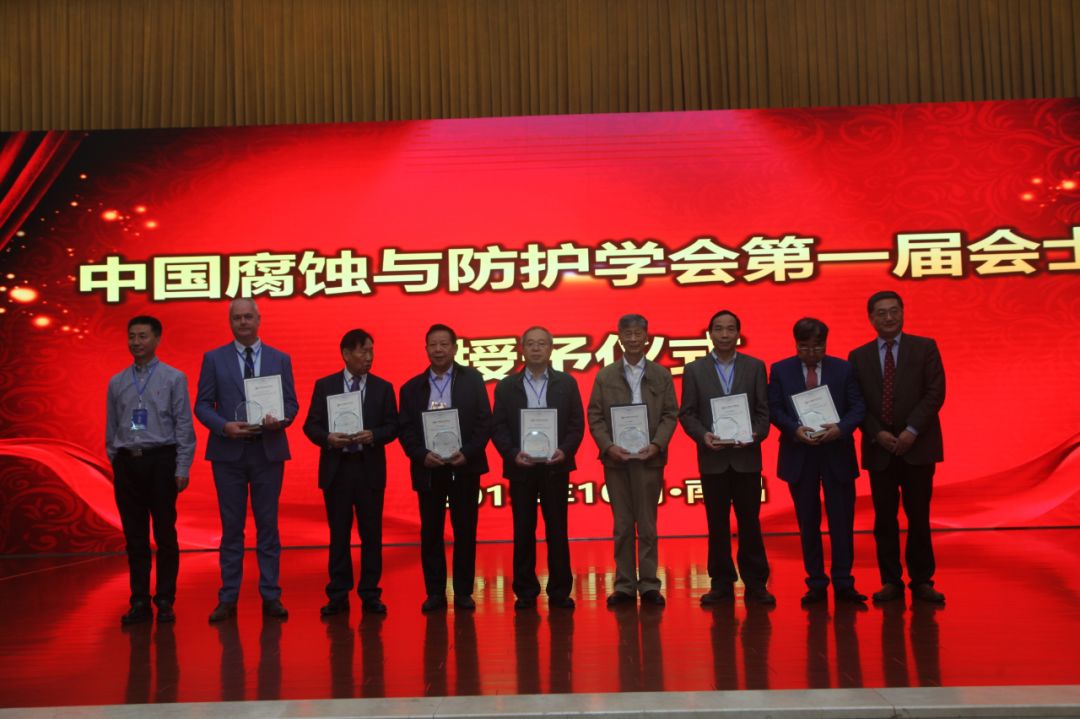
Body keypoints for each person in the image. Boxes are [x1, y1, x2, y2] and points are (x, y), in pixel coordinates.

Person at [194, 298, 299, 621]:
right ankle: (228, 597)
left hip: (267, 452)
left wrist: (280, 420)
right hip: (229, 453)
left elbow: (291, 404)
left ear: (258, 319)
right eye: (237, 318)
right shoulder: (213, 358)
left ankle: (271, 595)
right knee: (231, 528)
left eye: (248, 317)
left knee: (268, 526)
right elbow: (202, 405)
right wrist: (223, 426)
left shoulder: (280, 358)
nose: (242, 322)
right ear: (230, 322)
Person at [848, 291, 946, 604]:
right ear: (870, 318)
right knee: (884, 518)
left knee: (919, 516)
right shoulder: (858, 356)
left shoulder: (925, 347)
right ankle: (890, 581)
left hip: (918, 446)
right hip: (880, 449)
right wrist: (877, 433)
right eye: (881, 313)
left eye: (894, 311)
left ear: (903, 313)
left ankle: (922, 580)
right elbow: (856, 402)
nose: (888, 317)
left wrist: (911, 430)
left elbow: (935, 392)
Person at [768, 317, 867, 606]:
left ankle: (844, 582)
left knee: (842, 522)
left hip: (837, 452)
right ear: (795, 344)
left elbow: (858, 406)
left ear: (826, 343)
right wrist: (793, 429)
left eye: (817, 347)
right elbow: (774, 408)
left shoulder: (843, 368)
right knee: (807, 522)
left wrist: (841, 428)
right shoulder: (781, 370)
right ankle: (816, 582)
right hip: (800, 454)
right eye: (804, 347)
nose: (811, 353)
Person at [678, 310, 774, 606]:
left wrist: (754, 434)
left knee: (750, 523)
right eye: (718, 329)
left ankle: (756, 583)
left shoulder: (755, 366)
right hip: (713, 459)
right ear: (710, 334)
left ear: (738, 334)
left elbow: (764, 412)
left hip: (746, 458)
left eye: (730, 329)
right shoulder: (694, 370)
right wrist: (703, 435)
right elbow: (687, 413)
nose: (724, 334)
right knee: (717, 524)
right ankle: (720, 582)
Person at [105, 315, 196, 625]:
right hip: (127, 462)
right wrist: (117, 460)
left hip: (161, 461)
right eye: (132, 336)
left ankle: (166, 599)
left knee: (165, 534)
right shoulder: (117, 381)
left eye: (143, 336)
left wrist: (182, 466)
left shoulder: (174, 378)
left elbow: (184, 424)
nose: (136, 342)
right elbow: (111, 427)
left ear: (157, 339)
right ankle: (140, 601)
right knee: (135, 537)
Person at [302, 329, 399, 616]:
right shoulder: (325, 386)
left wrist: (374, 435)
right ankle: (338, 594)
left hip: (369, 469)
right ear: (346, 354)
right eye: (362, 351)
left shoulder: (383, 388)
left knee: (372, 535)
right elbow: (311, 425)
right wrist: (327, 438)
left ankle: (370, 593)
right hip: (338, 468)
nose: (369, 356)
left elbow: (394, 426)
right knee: (339, 534)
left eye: (371, 350)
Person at [398, 324, 492, 612]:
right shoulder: (411, 388)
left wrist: (468, 453)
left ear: (454, 348)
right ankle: (435, 592)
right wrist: (421, 455)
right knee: (431, 532)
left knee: (465, 530)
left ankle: (463, 591)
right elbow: (406, 429)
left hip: (464, 466)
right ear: (426, 348)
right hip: (429, 468)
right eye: (433, 345)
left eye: (444, 344)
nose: (438, 350)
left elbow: (484, 421)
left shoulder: (473, 380)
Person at [586, 314, 678, 608]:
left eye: (639, 334)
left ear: (647, 337)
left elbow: (670, 414)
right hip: (617, 461)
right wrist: (608, 446)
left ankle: (649, 584)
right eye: (628, 334)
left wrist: (657, 444)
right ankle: (624, 585)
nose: (634, 339)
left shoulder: (661, 375)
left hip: (650, 459)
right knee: (623, 524)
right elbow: (595, 416)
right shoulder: (605, 376)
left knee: (647, 525)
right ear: (620, 338)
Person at [491, 326, 585, 610]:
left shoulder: (566, 383)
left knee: (557, 529)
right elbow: (498, 427)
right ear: (522, 349)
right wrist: (512, 454)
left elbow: (576, 424)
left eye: (541, 343)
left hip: (556, 466)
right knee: (523, 530)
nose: (535, 348)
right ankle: (525, 591)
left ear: (551, 348)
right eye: (530, 343)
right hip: (521, 467)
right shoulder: (506, 386)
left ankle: (560, 591)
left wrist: (564, 450)